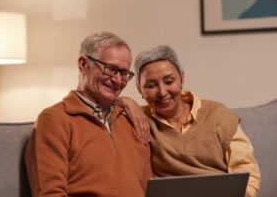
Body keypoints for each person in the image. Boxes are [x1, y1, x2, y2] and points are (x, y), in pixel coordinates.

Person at [119, 45, 261, 197]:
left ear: (182, 79)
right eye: (151, 85)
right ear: (140, 90)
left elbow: (246, 170)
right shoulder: (139, 119)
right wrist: (125, 101)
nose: (162, 92)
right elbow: (101, 107)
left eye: (169, 81)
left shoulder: (218, 114)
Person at [24, 31, 152, 197]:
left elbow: (151, 190)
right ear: (83, 65)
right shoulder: (53, 120)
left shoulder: (134, 121)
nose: (118, 80)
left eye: (124, 73)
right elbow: (49, 193)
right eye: (111, 69)